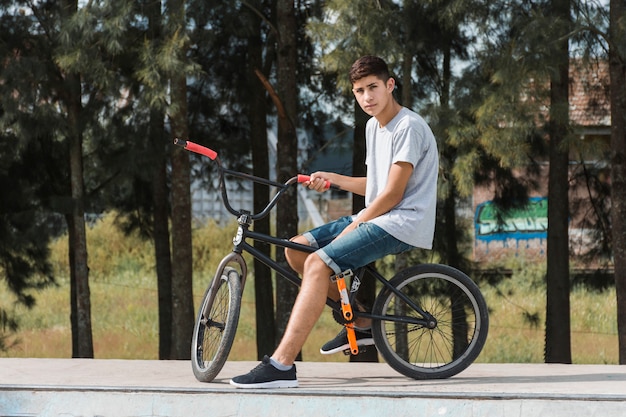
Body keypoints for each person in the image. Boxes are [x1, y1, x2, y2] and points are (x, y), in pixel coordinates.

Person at [230, 55, 439, 389]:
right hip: (378, 215)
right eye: (359, 91)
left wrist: (356, 225)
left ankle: (282, 365)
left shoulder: (408, 127)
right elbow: (375, 186)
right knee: (297, 250)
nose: (367, 97)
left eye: (373, 87)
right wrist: (334, 179)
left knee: (316, 264)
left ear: (389, 85)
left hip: (401, 221)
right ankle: (361, 320)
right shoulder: (374, 126)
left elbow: (393, 195)